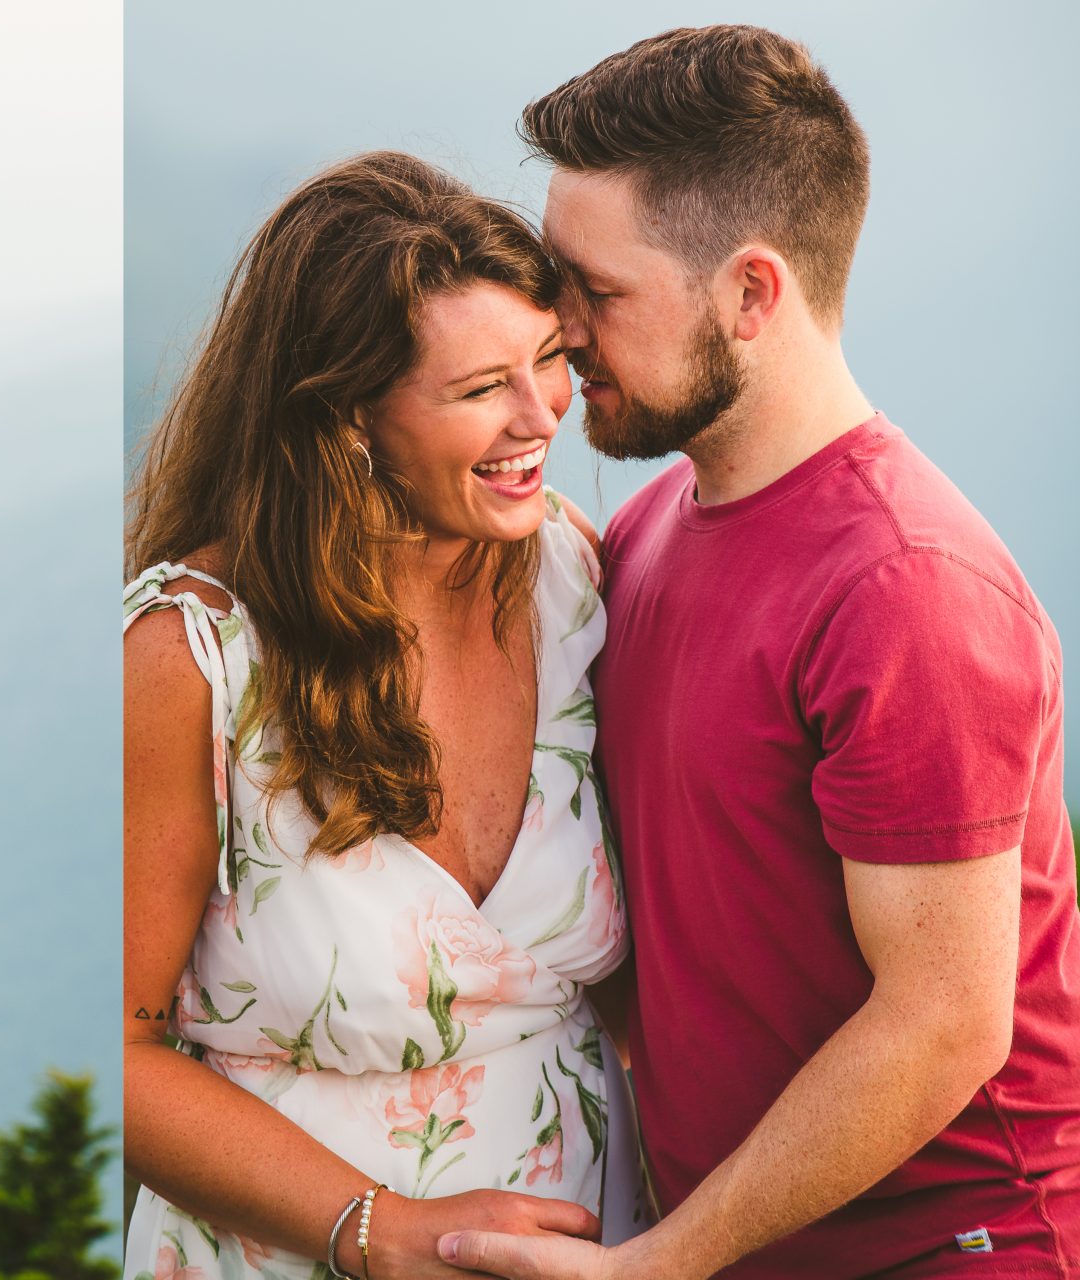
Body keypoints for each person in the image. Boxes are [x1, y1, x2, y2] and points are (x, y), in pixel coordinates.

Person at [441, 26, 1079, 1280]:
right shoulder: (645, 529)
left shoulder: (905, 590)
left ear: (749, 292)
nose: (558, 334)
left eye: (596, 292)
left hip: (951, 1249)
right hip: (749, 1242)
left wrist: (661, 1259)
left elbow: (946, 1022)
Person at [121, 150, 635, 1280]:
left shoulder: (572, 577)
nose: (536, 414)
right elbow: (118, 1048)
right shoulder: (189, 657)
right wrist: (374, 1228)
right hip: (287, 1254)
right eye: (475, 389)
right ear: (349, 414)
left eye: (545, 358)